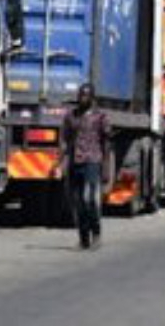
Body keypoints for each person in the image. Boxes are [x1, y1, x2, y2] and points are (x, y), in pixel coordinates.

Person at [60, 83, 111, 250]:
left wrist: (105, 167)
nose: (82, 98)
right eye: (80, 95)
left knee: (89, 198)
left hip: (93, 160)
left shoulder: (100, 117)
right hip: (76, 161)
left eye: (86, 95)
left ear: (92, 98)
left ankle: (96, 233)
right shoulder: (71, 116)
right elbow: (65, 139)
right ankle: (83, 239)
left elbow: (106, 143)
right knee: (79, 202)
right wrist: (63, 160)